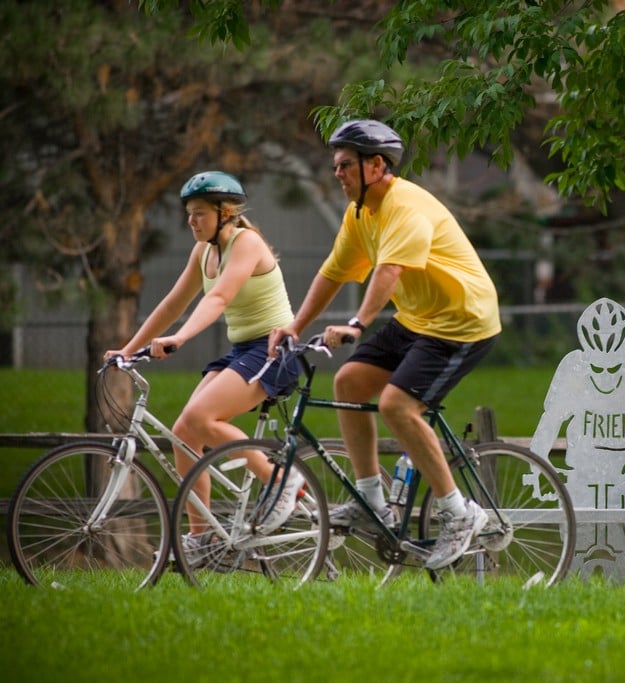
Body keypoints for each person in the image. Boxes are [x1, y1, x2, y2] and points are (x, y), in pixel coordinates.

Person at [269, 119, 502, 570]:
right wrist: (295, 325)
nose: (337, 173)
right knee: (350, 381)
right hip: (419, 318)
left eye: (345, 165)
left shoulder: (405, 206)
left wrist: (357, 324)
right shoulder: (360, 213)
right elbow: (333, 272)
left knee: (398, 405)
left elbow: (389, 271)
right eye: (335, 165)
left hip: (462, 321)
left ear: (376, 166)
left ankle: (459, 513)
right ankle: (372, 502)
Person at [105, 171, 303, 547]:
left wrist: (180, 337)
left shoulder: (246, 243)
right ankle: (204, 537)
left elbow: (219, 299)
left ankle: (281, 481)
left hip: (274, 349)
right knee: (183, 433)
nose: (191, 221)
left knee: (199, 418)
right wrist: (128, 350)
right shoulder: (204, 252)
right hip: (245, 350)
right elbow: (172, 304)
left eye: (199, 213)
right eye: (189, 213)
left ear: (224, 212)